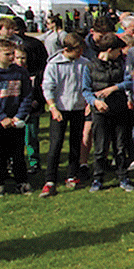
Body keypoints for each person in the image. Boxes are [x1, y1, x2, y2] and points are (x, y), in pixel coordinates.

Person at [0, 38, 35, 197]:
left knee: (17, 154)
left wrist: (19, 116)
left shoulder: (20, 72)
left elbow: (27, 96)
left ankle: (21, 182)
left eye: (12, 54)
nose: (11, 57)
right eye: (7, 54)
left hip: (16, 120)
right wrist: (1, 117)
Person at [41, 33, 89, 196]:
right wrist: (53, 108)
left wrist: (87, 102)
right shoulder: (54, 64)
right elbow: (48, 87)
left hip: (78, 107)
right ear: (67, 49)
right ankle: (50, 179)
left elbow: (87, 85)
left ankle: (72, 174)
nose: (80, 53)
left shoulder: (84, 64)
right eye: (77, 50)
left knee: (76, 142)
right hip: (60, 109)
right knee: (56, 144)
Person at [84, 33, 134, 192]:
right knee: (100, 146)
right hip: (100, 112)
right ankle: (97, 178)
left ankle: (123, 176)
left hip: (119, 109)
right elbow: (86, 90)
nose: (120, 53)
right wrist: (95, 102)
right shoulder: (90, 66)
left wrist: (114, 88)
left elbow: (130, 81)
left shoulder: (121, 64)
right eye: (118, 50)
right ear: (110, 50)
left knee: (120, 146)